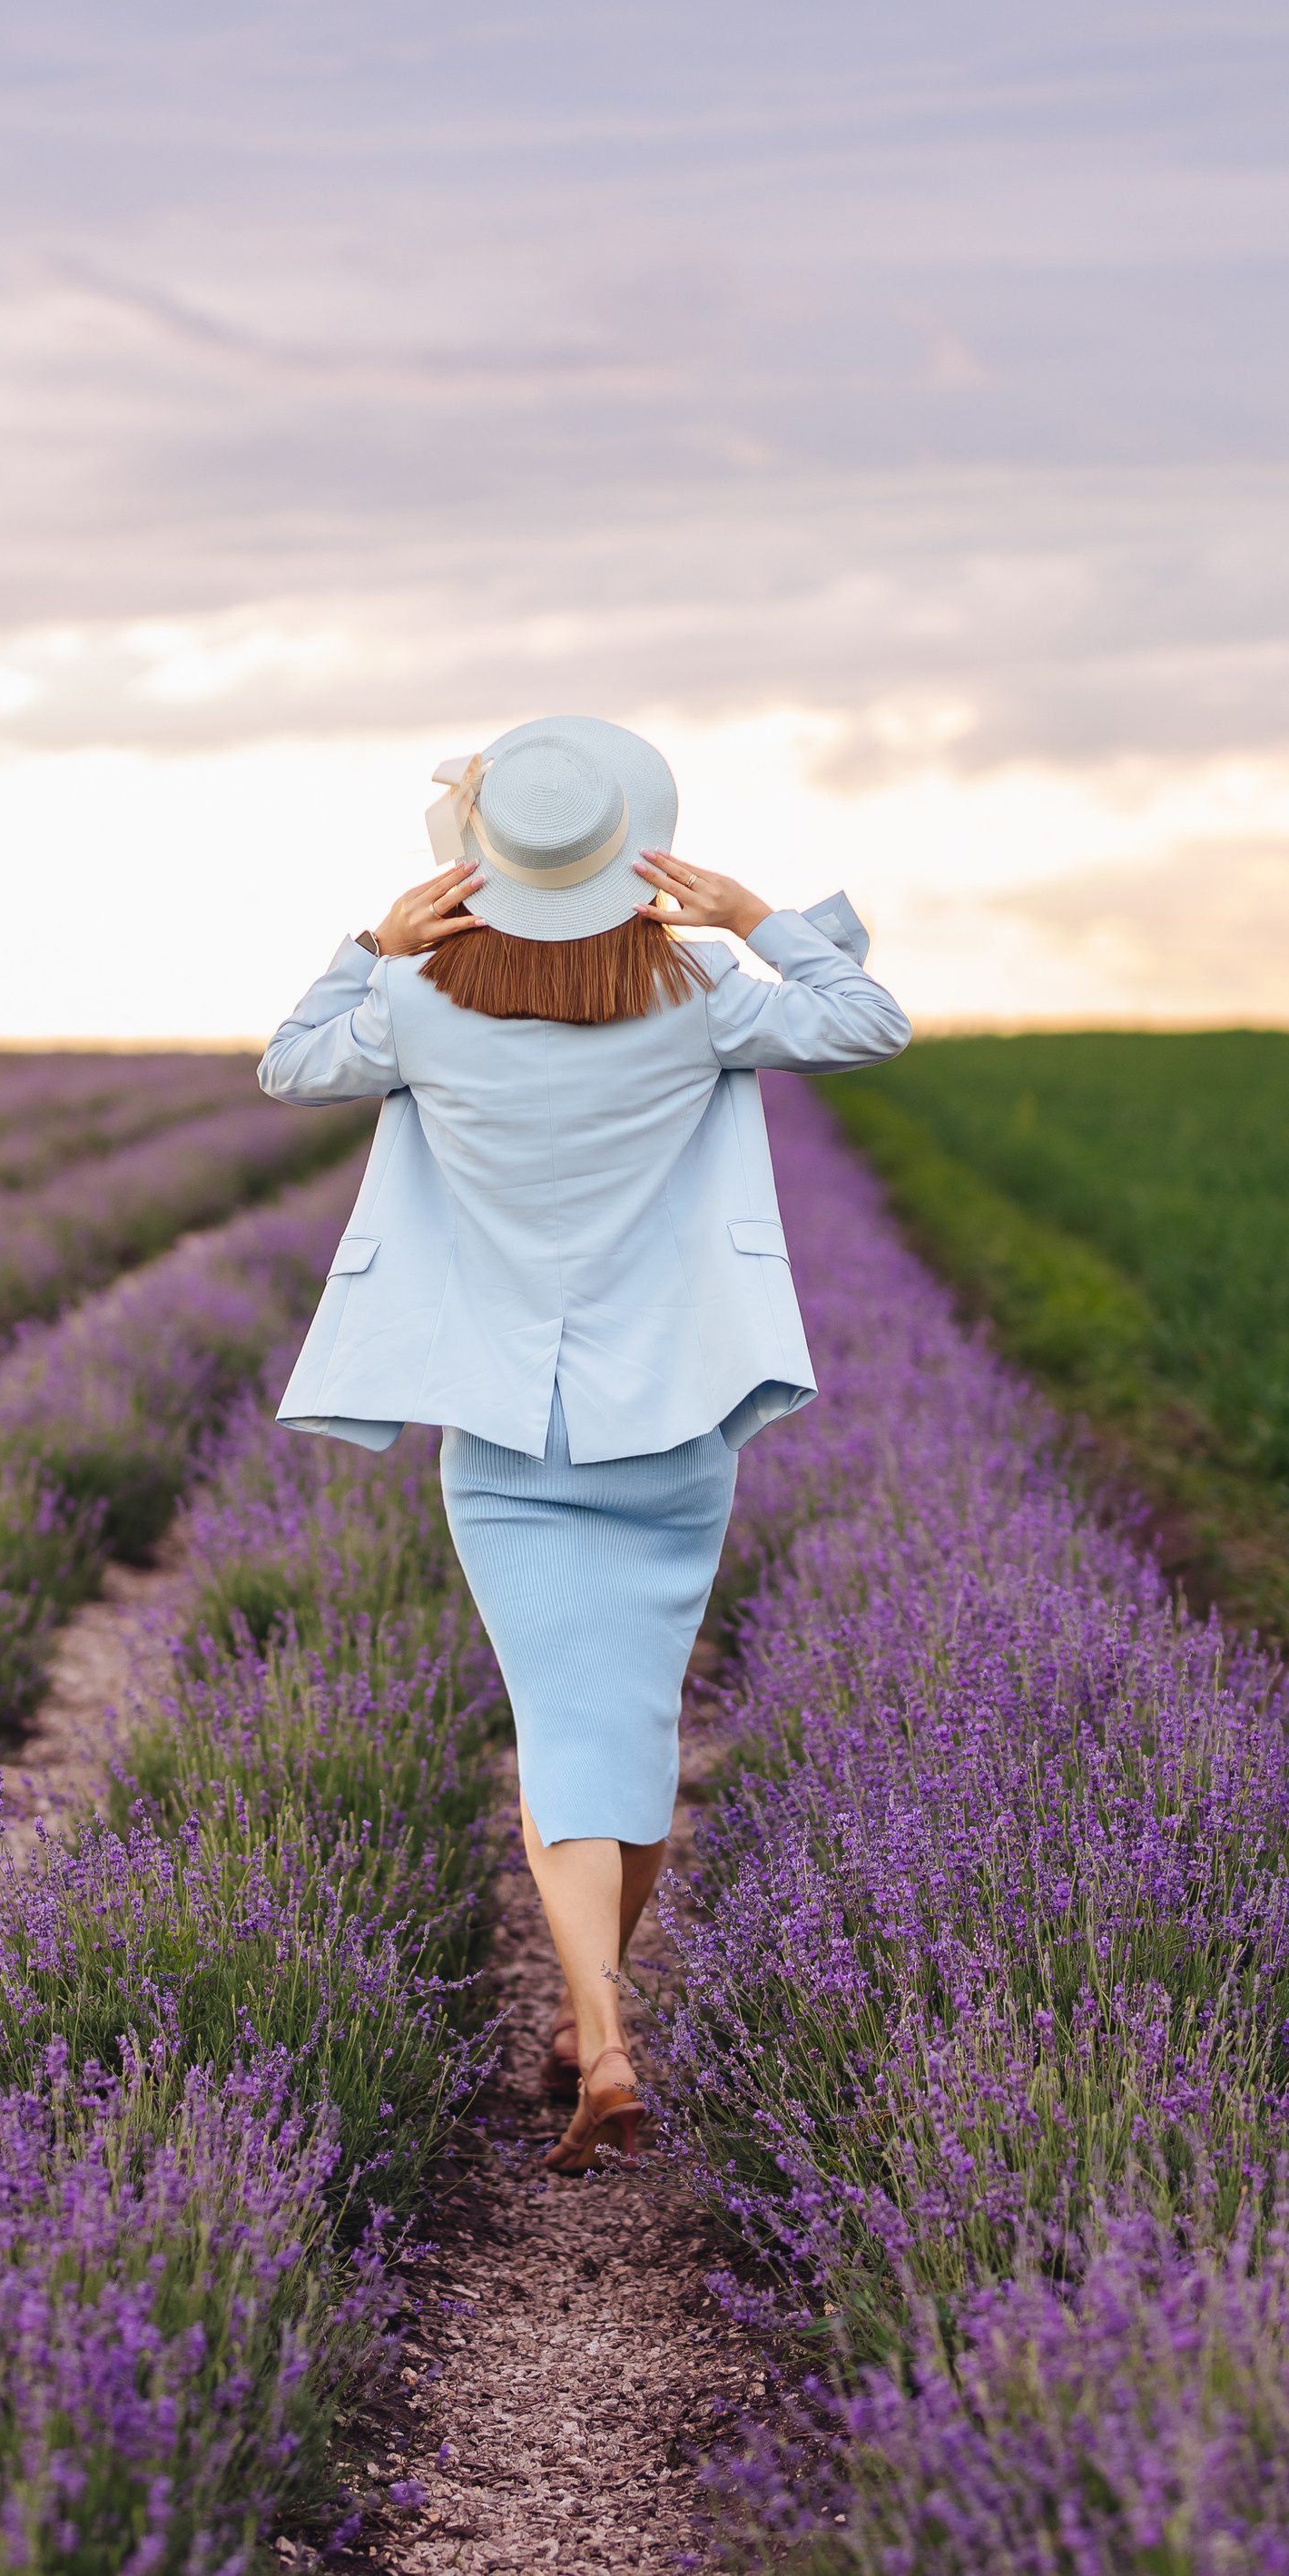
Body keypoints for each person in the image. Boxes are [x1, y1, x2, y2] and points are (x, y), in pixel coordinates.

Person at [257, 714, 910, 2173]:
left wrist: (370, 942)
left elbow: (290, 1067)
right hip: (671, 1417)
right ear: (631, 855)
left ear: (485, 868)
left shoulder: (422, 1007)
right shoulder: (697, 990)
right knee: (636, 1719)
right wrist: (755, 916)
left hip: (504, 1425)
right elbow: (870, 1024)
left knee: (561, 1726)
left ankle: (600, 2034)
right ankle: (594, 2020)